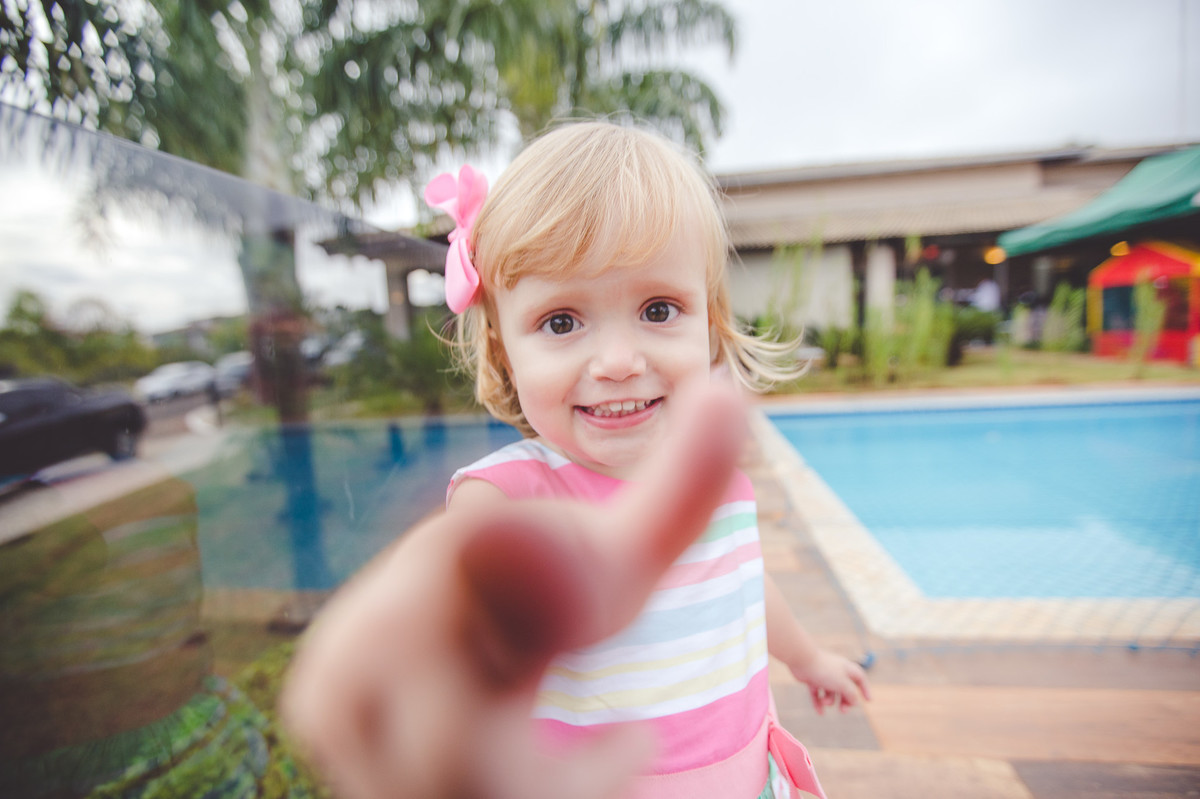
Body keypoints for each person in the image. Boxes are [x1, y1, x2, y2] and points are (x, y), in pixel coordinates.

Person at [281, 121, 870, 799]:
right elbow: (452, 577)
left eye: (658, 308)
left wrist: (807, 657)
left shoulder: (714, 487)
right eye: (562, 321)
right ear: (505, 352)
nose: (619, 362)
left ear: (709, 321)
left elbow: (743, 588)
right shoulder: (510, 496)